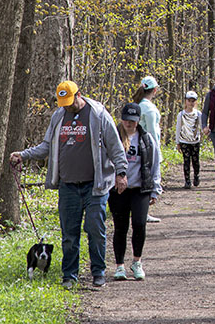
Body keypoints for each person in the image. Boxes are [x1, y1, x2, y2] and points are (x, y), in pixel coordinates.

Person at [10, 81, 128, 289]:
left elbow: (115, 146)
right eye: (62, 102)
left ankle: (98, 272)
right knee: (69, 236)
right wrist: (24, 154)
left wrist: (121, 173)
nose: (66, 106)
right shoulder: (59, 116)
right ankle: (69, 275)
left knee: (95, 229)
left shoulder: (98, 114)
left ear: (79, 95)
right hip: (68, 186)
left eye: (69, 101)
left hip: (95, 186)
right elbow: (46, 146)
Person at [109, 102, 162, 281]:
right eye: (125, 120)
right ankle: (119, 266)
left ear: (138, 120)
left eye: (132, 120)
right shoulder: (113, 137)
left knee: (139, 224)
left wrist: (155, 189)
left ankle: (137, 261)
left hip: (140, 189)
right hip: (118, 190)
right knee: (120, 227)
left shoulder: (146, 139)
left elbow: (154, 165)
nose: (128, 123)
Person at [133, 75, 164, 223]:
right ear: (155, 90)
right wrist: (156, 152)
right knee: (146, 179)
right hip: (147, 148)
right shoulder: (149, 108)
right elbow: (151, 132)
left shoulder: (139, 105)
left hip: (138, 146)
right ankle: (143, 212)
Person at [176, 90, 203, 188]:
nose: (191, 103)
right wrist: (177, 142)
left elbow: (201, 125)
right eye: (189, 100)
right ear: (185, 101)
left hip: (195, 141)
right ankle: (187, 181)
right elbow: (178, 128)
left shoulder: (198, 114)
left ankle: (196, 176)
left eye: (193, 101)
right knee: (186, 161)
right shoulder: (181, 114)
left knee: (196, 160)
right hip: (184, 141)